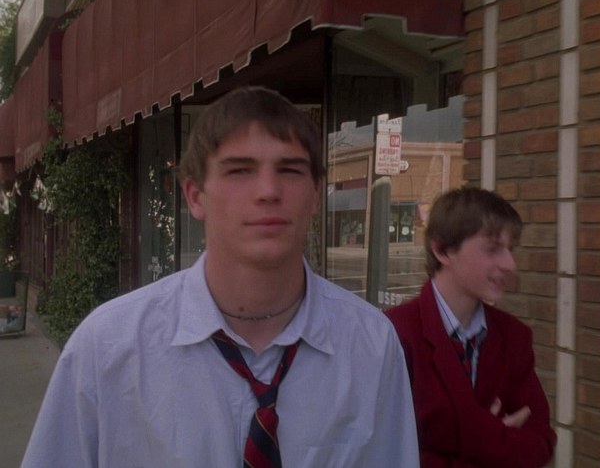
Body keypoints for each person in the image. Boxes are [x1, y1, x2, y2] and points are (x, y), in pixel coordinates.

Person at [22, 86, 419, 467]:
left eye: (290, 170)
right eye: (240, 171)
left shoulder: (371, 346)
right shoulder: (108, 348)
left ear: (316, 194)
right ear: (195, 196)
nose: (268, 190)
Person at [386, 187, 556, 468]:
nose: (510, 263)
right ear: (442, 250)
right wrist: (494, 435)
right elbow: (385, 452)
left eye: (510, 249)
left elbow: (540, 444)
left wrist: (451, 436)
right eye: (492, 249)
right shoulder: (394, 334)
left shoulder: (513, 337)